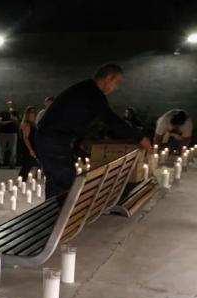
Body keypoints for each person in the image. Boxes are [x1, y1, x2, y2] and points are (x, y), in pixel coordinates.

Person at [35, 63, 152, 198]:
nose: (116, 88)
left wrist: (80, 140)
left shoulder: (87, 89)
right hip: (52, 140)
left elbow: (70, 117)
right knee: (63, 180)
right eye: (117, 82)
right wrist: (141, 138)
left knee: (60, 181)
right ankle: (58, 216)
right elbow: (111, 120)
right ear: (108, 77)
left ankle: (57, 215)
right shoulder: (92, 92)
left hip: (54, 138)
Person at [0, 100, 20, 168]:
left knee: (13, 149)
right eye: (8, 104)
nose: (9, 105)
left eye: (11, 104)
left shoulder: (15, 113)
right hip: (3, 133)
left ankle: (12, 163)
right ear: (6, 105)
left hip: (13, 133)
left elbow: (17, 122)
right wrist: (9, 121)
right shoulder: (2, 113)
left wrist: (12, 114)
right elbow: (0, 122)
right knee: (2, 149)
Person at [18, 106, 39, 180]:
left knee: (28, 166)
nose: (34, 114)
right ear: (28, 114)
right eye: (32, 112)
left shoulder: (33, 124)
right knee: (26, 166)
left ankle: (22, 181)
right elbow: (25, 137)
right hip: (27, 148)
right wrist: (31, 150)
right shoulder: (26, 123)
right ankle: (21, 182)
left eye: (35, 112)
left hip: (32, 147)